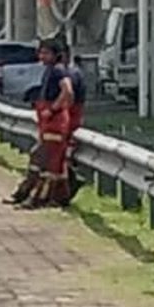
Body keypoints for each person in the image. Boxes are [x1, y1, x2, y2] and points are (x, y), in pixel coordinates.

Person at [6, 38, 75, 210]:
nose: (41, 56)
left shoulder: (58, 71)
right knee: (46, 159)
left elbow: (67, 91)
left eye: (46, 53)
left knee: (48, 163)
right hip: (48, 122)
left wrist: (52, 109)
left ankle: (38, 199)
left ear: (56, 55)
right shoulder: (50, 71)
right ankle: (59, 197)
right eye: (41, 52)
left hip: (55, 123)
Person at [64, 48, 87, 201]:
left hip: (69, 119)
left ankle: (68, 186)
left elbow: (69, 97)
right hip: (73, 118)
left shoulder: (70, 75)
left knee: (64, 155)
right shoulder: (75, 72)